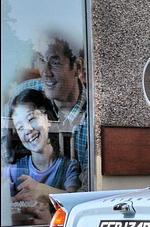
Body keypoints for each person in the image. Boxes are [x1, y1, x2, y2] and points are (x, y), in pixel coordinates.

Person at [2, 34, 88, 191]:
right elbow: (3, 135)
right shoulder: (26, 92)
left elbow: (87, 190)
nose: (45, 73)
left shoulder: (92, 117)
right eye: (41, 60)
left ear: (77, 67)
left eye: (55, 62)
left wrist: (42, 193)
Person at [3, 89, 81, 224]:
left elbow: (76, 204)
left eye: (32, 119)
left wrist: (42, 190)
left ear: (49, 119)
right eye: (20, 127)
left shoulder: (69, 167)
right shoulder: (13, 171)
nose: (27, 129)